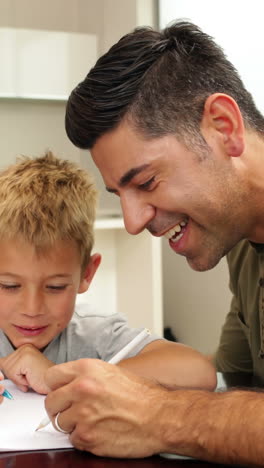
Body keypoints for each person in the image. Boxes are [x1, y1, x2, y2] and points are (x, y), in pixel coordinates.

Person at [44, 20, 264, 465]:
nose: (131, 221)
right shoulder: (243, 242)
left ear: (223, 127)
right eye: (119, 196)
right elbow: (232, 385)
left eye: (145, 181)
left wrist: (162, 415)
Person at [0, 151, 215, 397]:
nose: (32, 308)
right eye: (9, 285)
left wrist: (59, 376)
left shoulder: (94, 334)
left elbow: (198, 372)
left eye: (55, 287)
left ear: (87, 274)